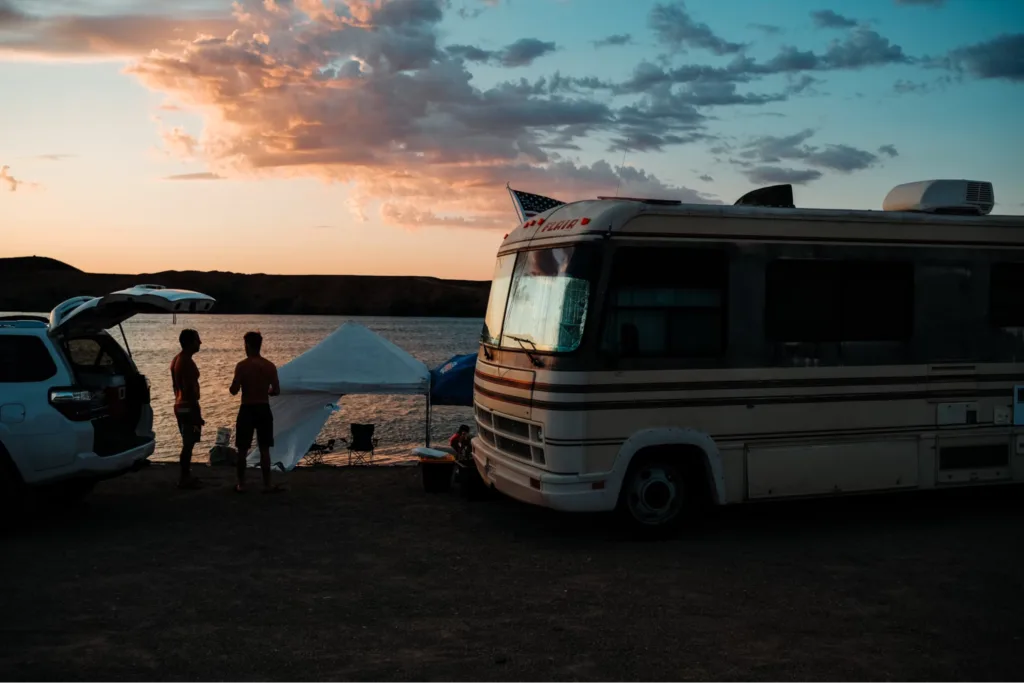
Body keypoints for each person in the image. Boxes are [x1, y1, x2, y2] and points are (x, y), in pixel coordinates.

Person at [229, 331, 282, 493]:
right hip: (263, 407)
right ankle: (267, 484)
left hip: (247, 408)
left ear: (248, 345)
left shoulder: (242, 366)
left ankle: (241, 484)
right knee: (265, 449)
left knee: (242, 449)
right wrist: (267, 391)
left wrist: (237, 383)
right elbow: (276, 390)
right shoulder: (269, 366)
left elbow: (234, 390)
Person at [170, 328, 204, 490]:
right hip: (188, 406)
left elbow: (175, 387)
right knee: (188, 443)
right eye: (198, 340)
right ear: (190, 342)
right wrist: (196, 412)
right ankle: (184, 478)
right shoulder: (187, 362)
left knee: (187, 442)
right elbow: (190, 390)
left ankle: (186, 475)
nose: (200, 342)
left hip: (179, 404)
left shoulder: (176, 359)